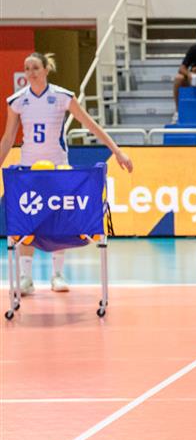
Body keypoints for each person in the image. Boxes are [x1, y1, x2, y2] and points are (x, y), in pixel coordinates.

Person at [0, 53, 134, 295]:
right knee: (27, 221)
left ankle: (58, 274)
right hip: (29, 171)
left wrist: (117, 151)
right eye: (27, 68)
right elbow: (8, 138)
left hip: (58, 168)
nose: (30, 72)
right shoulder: (17, 101)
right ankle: (26, 278)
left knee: (58, 220)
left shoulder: (62, 96)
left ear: (46, 69)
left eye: (35, 68)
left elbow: (91, 125)